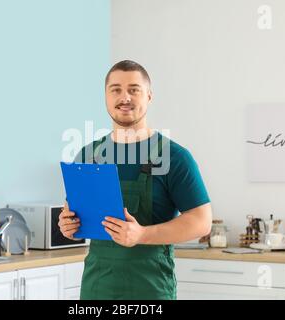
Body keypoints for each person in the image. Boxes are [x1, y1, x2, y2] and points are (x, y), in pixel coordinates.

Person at [59, 60, 212, 299]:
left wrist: (141, 235)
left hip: (150, 290)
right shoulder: (88, 155)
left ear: (149, 96)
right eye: (116, 89)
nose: (125, 97)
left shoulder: (174, 157)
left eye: (134, 89)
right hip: (97, 289)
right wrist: (69, 226)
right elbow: (77, 218)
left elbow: (201, 222)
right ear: (106, 97)